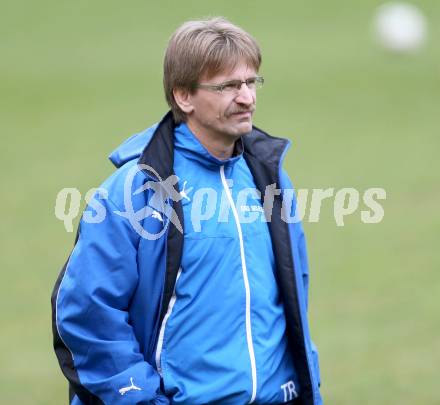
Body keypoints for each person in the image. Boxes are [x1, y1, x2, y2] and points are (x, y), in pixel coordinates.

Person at [51, 17, 322, 405]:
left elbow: (292, 302)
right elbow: (86, 313)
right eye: (228, 86)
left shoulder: (270, 178)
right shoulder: (135, 190)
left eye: (251, 82)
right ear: (184, 96)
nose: (247, 97)